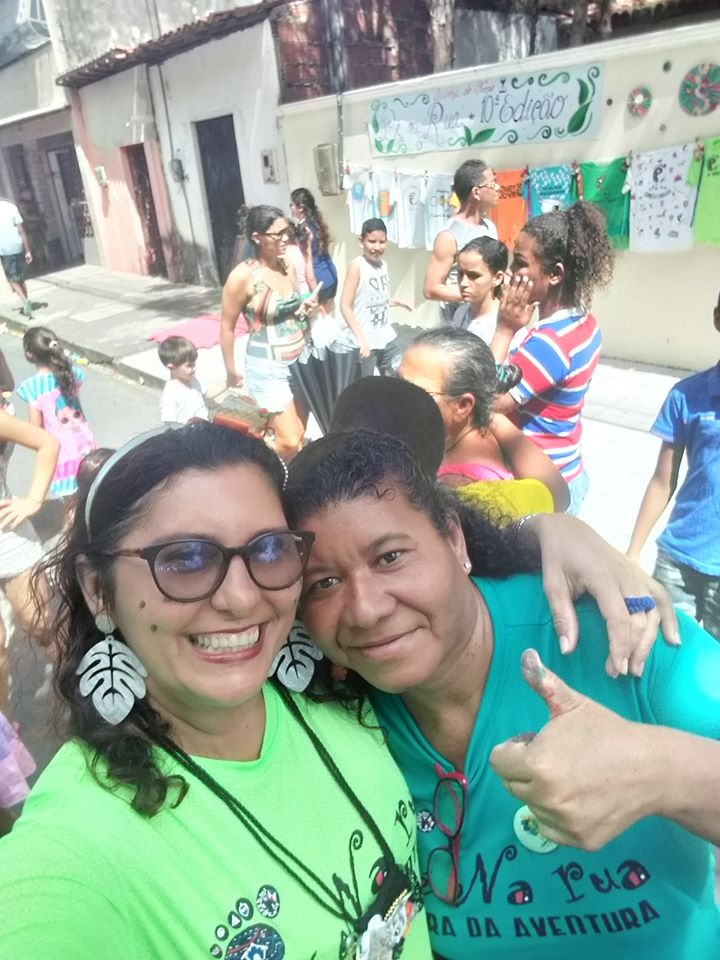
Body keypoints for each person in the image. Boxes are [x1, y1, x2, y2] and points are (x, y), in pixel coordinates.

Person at [284, 429, 720, 960]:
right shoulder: (326, 710)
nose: (365, 609)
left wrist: (660, 773)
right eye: (323, 584)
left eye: (391, 557)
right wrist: (541, 526)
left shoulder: (618, 633)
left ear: (454, 539)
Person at [0, 423, 431, 958]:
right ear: (97, 590)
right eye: (185, 559)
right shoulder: (80, 841)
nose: (241, 598)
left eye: (269, 550)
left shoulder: (345, 688)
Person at [490, 201, 613, 516]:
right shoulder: (585, 322)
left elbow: (486, 402)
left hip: (542, 484)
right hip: (567, 468)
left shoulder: (550, 343)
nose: (510, 273)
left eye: (520, 263)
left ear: (555, 274)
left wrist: (504, 330)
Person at [627, 289, 720, 641]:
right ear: (717, 319)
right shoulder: (686, 396)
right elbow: (662, 480)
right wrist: (633, 552)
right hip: (679, 559)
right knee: (665, 650)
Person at [400, 328, 569, 514]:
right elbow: (557, 492)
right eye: (396, 380)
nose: (395, 394)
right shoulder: (475, 434)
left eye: (414, 391)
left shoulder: (456, 494)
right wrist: (488, 411)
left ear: (463, 405)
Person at [220, 206, 315, 461]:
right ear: (257, 238)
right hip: (268, 367)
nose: (286, 238)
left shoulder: (287, 266)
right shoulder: (242, 277)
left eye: (287, 231)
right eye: (278, 234)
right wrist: (231, 371)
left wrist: (305, 308)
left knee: (298, 436)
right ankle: (244, 459)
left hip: (299, 364)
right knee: (289, 441)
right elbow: (227, 327)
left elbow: (293, 310)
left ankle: (284, 482)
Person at [0, 409, 59, 715]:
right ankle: (5, 729)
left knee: (40, 623)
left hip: (7, 538)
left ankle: (81, 690)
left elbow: (47, 443)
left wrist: (34, 500)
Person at [17, 326, 96, 499]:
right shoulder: (72, 373)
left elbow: (35, 425)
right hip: (85, 442)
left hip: (62, 450)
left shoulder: (32, 387)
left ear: (29, 354)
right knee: (90, 488)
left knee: (70, 500)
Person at [423, 160, 500, 324]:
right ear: (476, 192)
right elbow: (431, 289)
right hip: (459, 325)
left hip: (488, 319)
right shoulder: (449, 236)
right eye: (492, 184)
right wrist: (473, 293)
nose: (498, 188)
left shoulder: (490, 227)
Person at [339, 217, 412, 377]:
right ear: (361, 242)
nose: (377, 247)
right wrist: (361, 340)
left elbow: (375, 300)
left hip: (385, 336)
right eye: (372, 242)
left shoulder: (383, 265)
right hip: (366, 341)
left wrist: (397, 302)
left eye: (382, 242)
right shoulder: (357, 266)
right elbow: (345, 306)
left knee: (398, 373)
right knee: (368, 383)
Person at [290, 188, 339, 314]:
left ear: (300, 207)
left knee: (322, 320)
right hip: (331, 275)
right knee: (330, 315)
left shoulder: (304, 230)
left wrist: (314, 292)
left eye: (292, 205)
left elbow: (308, 262)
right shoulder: (317, 223)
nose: (291, 208)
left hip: (318, 280)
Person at [157, 336, 223, 426]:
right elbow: (170, 424)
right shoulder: (170, 394)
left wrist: (228, 383)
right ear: (171, 368)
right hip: (189, 433)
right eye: (189, 366)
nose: (194, 368)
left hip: (205, 428)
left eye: (194, 363)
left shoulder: (192, 379)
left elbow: (207, 394)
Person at [452, 236, 507, 342]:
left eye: (473, 276)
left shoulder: (503, 326)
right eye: (460, 273)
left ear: (497, 278)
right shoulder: (460, 313)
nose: (463, 283)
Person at [0, 196, 33, 318]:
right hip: (17, 246)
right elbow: (21, 230)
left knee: (12, 279)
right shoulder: (11, 207)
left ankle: (25, 300)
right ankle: (27, 301)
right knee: (20, 277)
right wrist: (28, 250)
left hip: (4, 249)